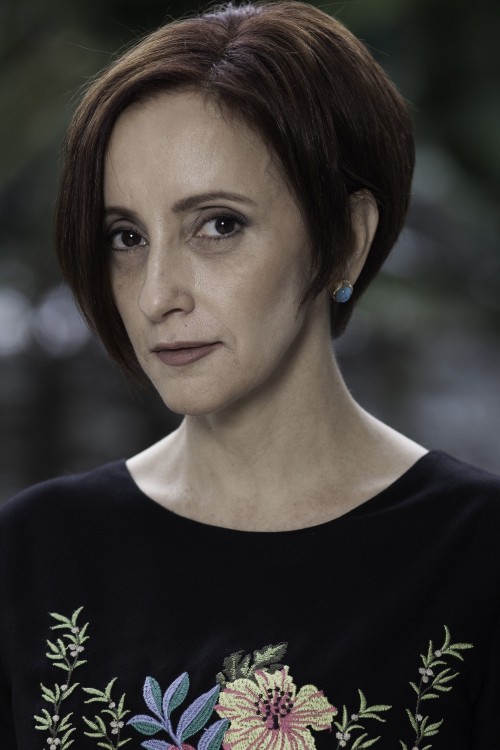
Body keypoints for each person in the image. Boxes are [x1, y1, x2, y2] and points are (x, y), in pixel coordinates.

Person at [0, 2, 498, 748]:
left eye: (218, 225)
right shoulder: (33, 555)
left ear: (346, 239)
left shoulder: (479, 556)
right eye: (126, 237)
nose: (156, 295)